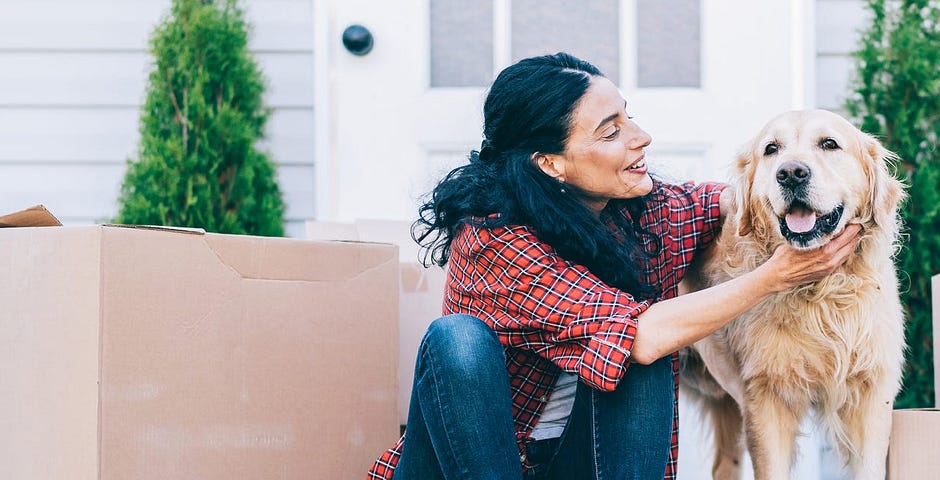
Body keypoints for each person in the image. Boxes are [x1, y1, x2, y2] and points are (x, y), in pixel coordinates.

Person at [367, 52, 862, 480]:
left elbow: (728, 200)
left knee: (638, 354)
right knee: (458, 340)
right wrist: (774, 277)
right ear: (551, 163)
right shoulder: (493, 240)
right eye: (612, 132)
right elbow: (638, 334)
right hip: (467, 466)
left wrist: (813, 193)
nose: (641, 137)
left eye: (629, 118)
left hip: (568, 460)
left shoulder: (638, 213)